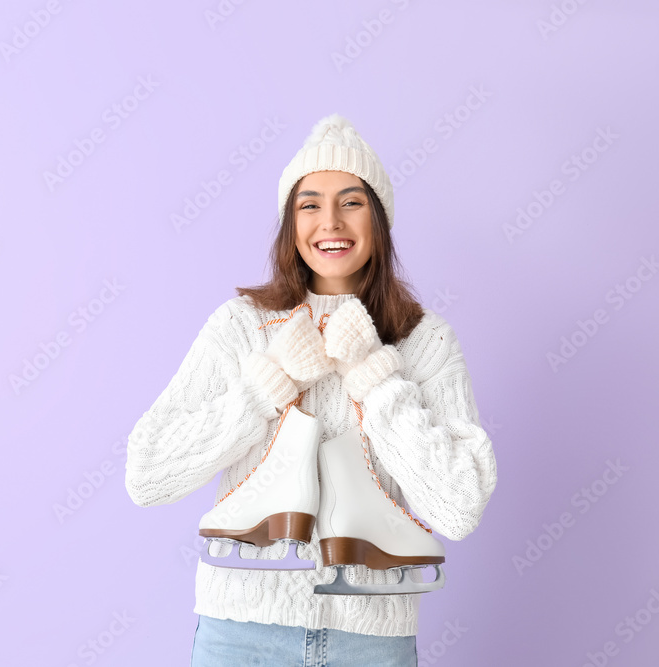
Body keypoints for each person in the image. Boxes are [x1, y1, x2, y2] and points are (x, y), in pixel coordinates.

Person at [124, 113, 498, 666]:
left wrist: (376, 378)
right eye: (309, 204)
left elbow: (459, 506)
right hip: (241, 633)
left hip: (371, 640)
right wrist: (266, 385)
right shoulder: (241, 327)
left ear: (379, 218)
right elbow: (148, 474)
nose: (331, 222)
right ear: (289, 224)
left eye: (352, 202)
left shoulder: (424, 341)